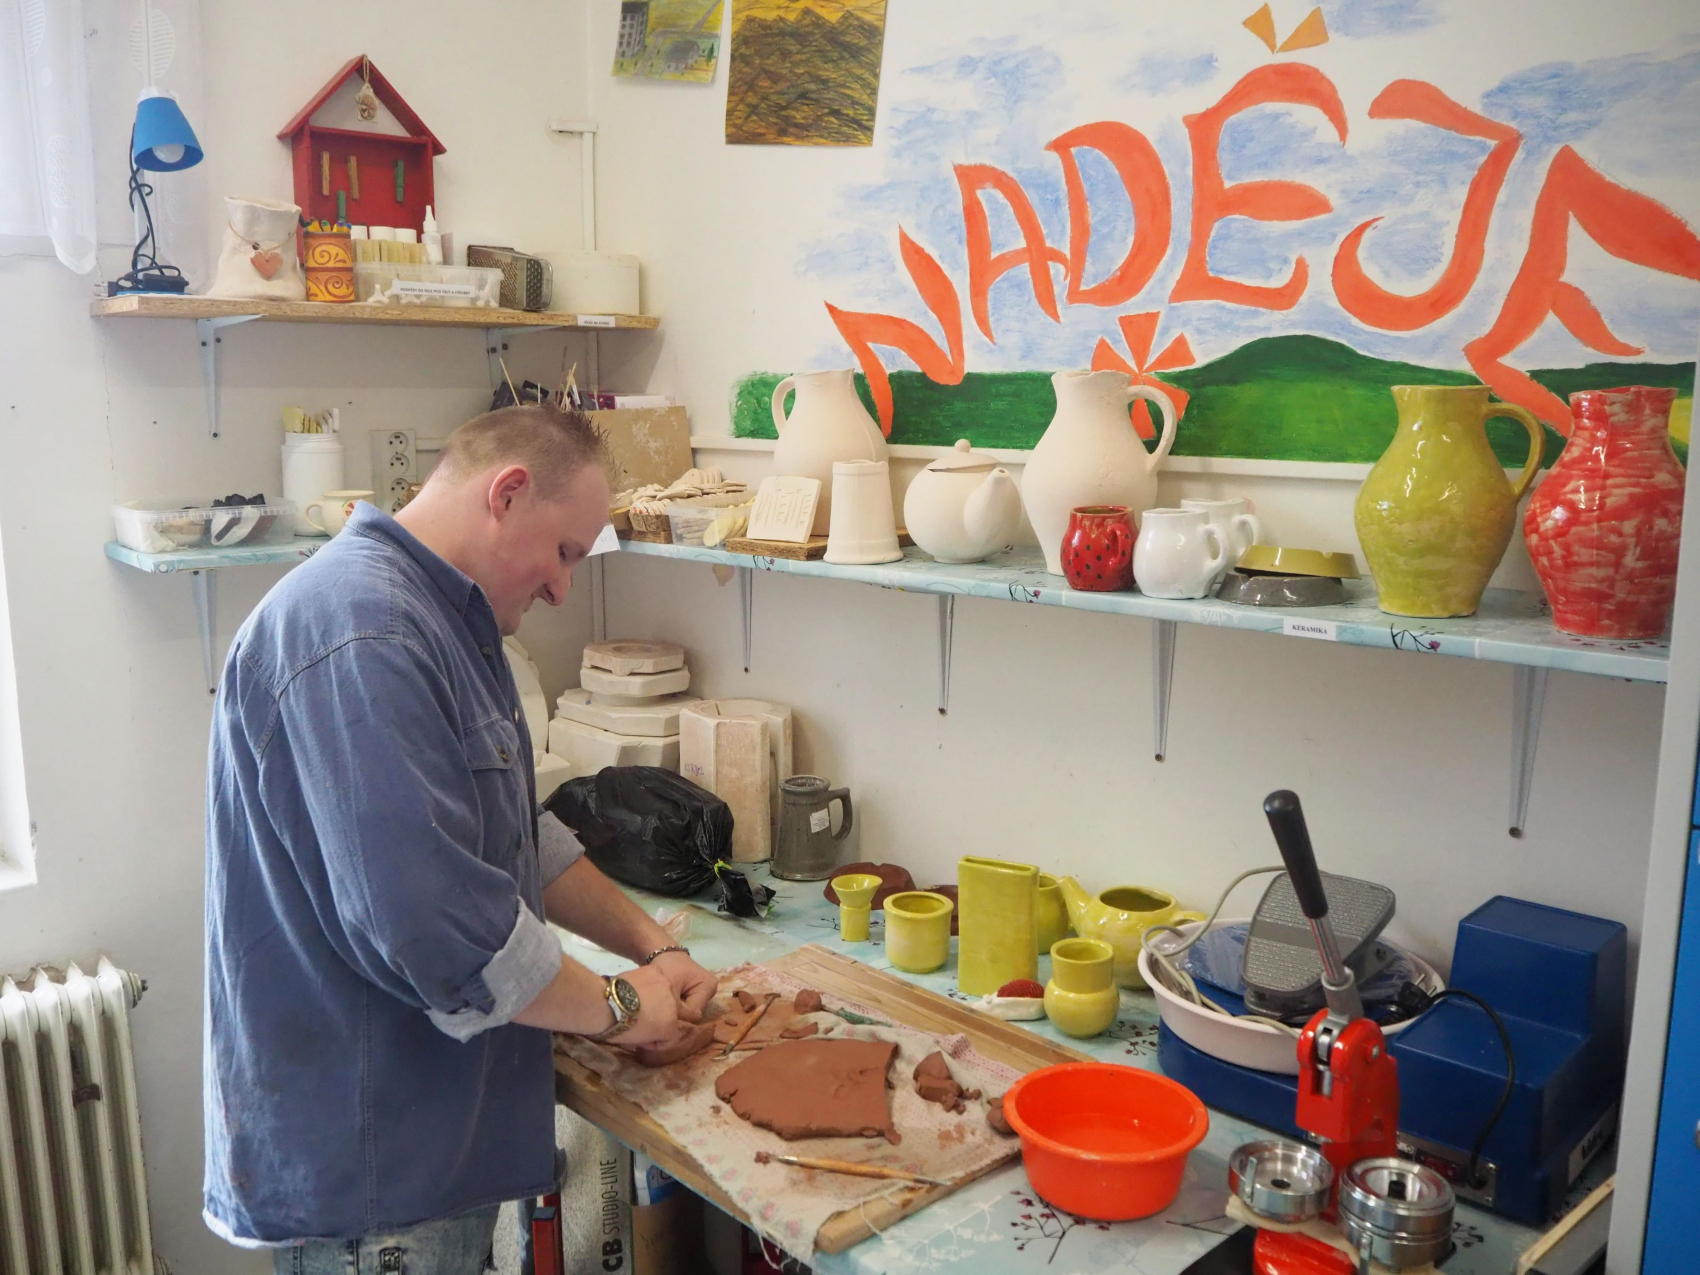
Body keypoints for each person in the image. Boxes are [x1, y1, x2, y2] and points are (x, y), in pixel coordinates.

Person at [204, 403, 717, 1274]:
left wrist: (653, 946)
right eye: (565, 552)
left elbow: (516, 834)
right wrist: (623, 1007)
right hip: (377, 1172)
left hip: (433, 1145)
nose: (564, 589)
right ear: (507, 493)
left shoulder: (445, 622)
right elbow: (442, 930)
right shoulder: (365, 629)